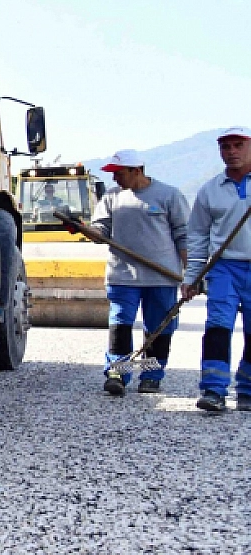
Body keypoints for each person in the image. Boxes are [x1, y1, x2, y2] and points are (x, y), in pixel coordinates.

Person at [91, 150, 188, 396]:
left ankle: (150, 376)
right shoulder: (112, 197)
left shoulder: (169, 195)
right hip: (122, 275)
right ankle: (118, 374)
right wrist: (92, 232)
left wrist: (191, 273)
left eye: (119, 173)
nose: (115, 178)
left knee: (158, 329)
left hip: (162, 277)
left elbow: (184, 236)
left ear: (137, 171)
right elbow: (100, 229)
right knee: (120, 324)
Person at [183, 126, 251, 413]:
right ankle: (213, 390)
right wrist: (192, 277)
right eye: (226, 146)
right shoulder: (210, 190)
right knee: (217, 327)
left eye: (238, 145)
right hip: (224, 268)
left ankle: (247, 389)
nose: (231, 151)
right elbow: (197, 235)